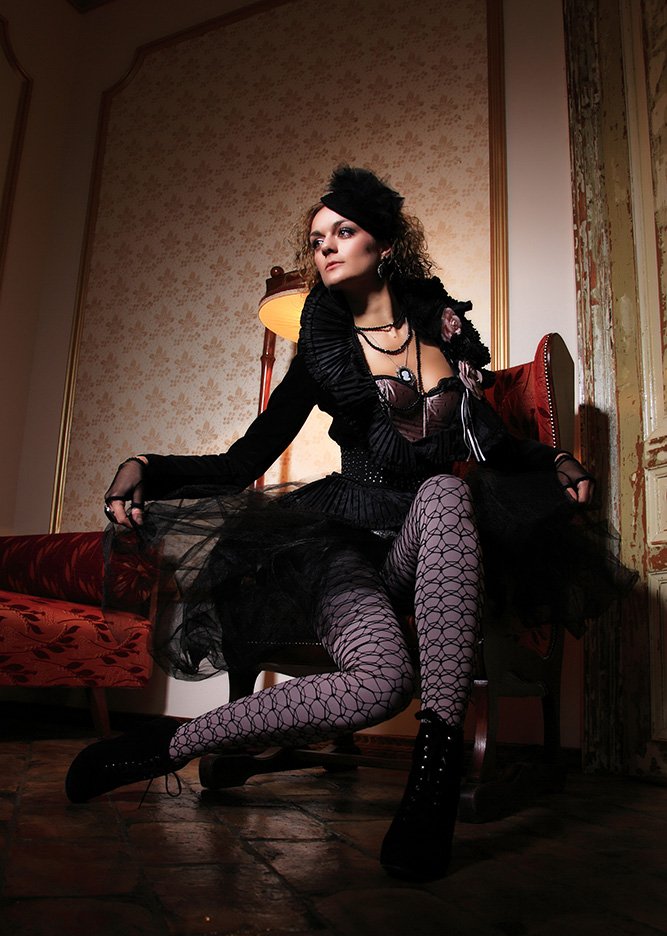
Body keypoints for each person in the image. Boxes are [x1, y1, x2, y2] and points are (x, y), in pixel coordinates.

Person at [66, 165, 625, 882]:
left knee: (445, 494)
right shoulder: (323, 350)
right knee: (380, 684)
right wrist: (145, 464)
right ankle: (160, 749)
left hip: (427, 548)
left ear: (383, 244)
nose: (324, 247)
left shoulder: (446, 332)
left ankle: (431, 783)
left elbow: (492, 442)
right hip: (342, 547)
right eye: (316, 238)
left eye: (342, 231)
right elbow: (242, 461)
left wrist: (556, 460)